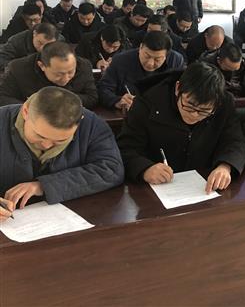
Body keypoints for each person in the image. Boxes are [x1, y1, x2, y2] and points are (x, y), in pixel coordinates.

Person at [117, 62, 245, 192]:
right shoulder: (146, 103)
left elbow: (235, 141)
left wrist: (225, 166)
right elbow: (126, 148)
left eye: (204, 111)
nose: (194, 115)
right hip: (156, 188)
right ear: (178, 88)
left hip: (203, 184)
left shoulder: (224, 103)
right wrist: (145, 169)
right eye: (189, 106)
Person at [0, 86, 123, 218]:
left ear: (80, 121)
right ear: (25, 111)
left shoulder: (92, 125)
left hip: (68, 217)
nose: (47, 145)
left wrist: (44, 186)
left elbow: (111, 169)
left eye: (60, 140)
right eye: (39, 136)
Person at [98, 31, 185, 110]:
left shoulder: (175, 61)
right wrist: (118, 101)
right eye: (147, 56)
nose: (150, 63)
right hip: (131, 113)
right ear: (140, 47)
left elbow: (182, 91)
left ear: (166, 55)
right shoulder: (120, 60)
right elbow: (103, 88)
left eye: (157, 59)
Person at [0, 41, 98, 109]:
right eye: (59, 74)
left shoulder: (84, 65)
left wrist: (62, 99)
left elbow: (92, 98)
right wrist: (32, 107)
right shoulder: (18, 68)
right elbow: (3, 97)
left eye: (71, 72)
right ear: (42, 66)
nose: (66, 78)